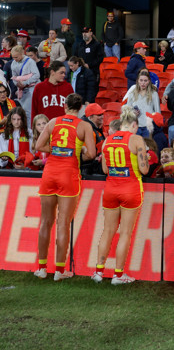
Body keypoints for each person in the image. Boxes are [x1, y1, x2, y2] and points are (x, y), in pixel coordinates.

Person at [34, 93, 96, 280]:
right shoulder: (84, 125)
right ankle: (60, 271)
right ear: (81, 109)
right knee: (63, 223)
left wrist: (57, 150)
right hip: (68, 175)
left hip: (50, 173)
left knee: (45, 222)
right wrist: (77, 153)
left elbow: (38, 145)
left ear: (65, 106)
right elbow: (92, 154)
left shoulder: (53, 121)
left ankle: (42, 268)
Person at [91, 105, 148, 284]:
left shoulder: (108, 140)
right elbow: (144, 170)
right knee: (125, 233)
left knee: (107, 231)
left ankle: (98, 272)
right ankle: (118, 274)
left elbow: (105, 168)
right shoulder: (136, 139)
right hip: (130, 189)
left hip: (111, 189)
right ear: (133, 125)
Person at [10, 46, 41, 127]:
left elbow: (37, 75)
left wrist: (25, 83)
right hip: (21, 89)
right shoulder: (13, 63)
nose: (15, 59)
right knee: (22, 111)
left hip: (31, 88)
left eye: (16, 57)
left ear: (22, 53)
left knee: (28, 112)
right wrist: (18, 84)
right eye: (13, 57)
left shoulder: (30, 62)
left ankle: (30, 132)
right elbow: (13, 77)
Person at [126, 70, 160, 138]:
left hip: (148, 127)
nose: (143, 83)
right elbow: (127, 111)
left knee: (147, 147)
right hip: (136, 126)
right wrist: (133, 113)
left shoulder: (154, 94)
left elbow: (158, 112)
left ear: (149, 81)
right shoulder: (132, 94)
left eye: (145, 81)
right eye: (141, 80)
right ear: (138, 81)